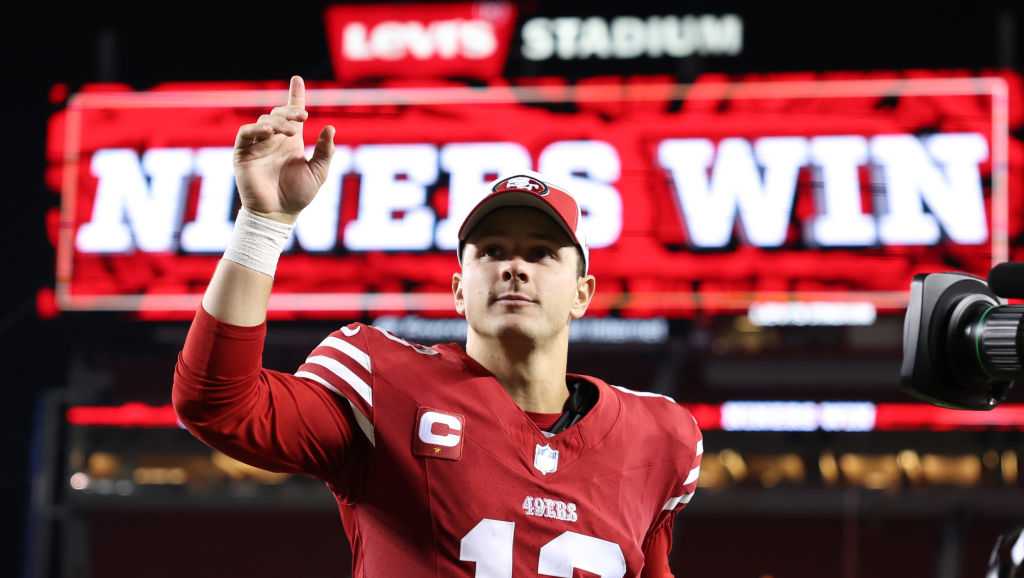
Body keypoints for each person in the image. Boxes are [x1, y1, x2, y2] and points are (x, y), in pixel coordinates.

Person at [172, 75, 703, 578]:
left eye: (541, 254)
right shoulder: (385, 383)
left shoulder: (658, 439)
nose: (513, 267)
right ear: (457, 290)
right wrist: (262, 225)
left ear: (582, 294)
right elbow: (218, 405)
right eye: (491, 251)